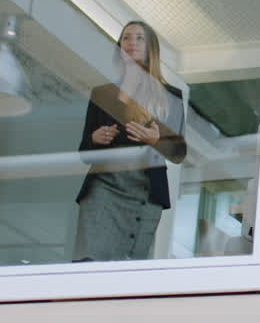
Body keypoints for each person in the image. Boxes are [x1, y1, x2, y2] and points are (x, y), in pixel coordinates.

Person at [73, 20, 186, 262]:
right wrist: (95, 138)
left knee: (128, 267)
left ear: (150, 49)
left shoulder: (170, 95)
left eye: (139, 38)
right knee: (89, 260)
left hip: (145, 189)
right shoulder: (102, 93)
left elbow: (178, 152)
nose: (131, 43)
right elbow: (84, 151)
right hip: (105, 186)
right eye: (126, 38)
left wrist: (157, 140)